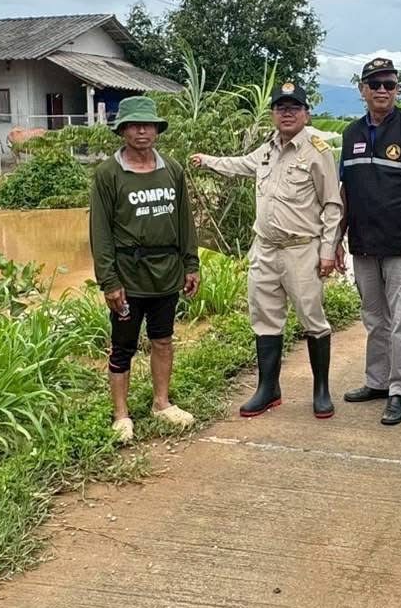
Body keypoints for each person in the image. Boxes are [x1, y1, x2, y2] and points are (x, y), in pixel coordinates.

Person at [191, 82, 342, 419]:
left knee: (312, 319)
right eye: (281, 108)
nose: (287, 113)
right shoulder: (268, 150)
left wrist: (328, 250)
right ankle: (268, 389)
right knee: (265, 319)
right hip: (266, 249)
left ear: (306, 113)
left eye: (294, 107)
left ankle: (321, 390)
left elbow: (332, 205)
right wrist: (207, 161)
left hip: (301, 250)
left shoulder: (317, 151)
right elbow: (240, 164)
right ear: (273, 113)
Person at [89, 96, 202, 444]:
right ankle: (121, 415)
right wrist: (109, 280)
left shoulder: (172, 170)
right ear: (122, 130)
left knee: (163, 339)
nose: (142, 131)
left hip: (166, 272)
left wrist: (191, 263)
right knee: (123, 346)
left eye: (148, 124)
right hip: (128, 275)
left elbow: (185, 221)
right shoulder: (108, 174)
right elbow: (101, 232)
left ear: (156, 129)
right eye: (135, 125)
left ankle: (161, 403)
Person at [337, 56, 401, 426]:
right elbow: (346, 190)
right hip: (363, 243)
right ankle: (377, 382)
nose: (382, 91)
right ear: (362, 90)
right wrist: (338, 236)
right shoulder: (351, 135)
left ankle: (399, 391)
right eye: (375, 84)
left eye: (389, 85)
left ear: (398, 90)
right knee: (374, 318)